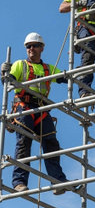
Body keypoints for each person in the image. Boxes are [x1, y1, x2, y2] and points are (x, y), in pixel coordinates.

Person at [2, 33, 67, 194]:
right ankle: (19, 182)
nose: (31, 48)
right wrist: (4, 74)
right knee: (24, 142)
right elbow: (8, 82)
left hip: (42, 109)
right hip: (24, 107)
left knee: (51, 143)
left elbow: (64, 77)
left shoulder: (48, 69)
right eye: (28, 46)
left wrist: (77, 74)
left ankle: (57, 180)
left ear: (42, 48)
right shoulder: (20, 65)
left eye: (34, 45)